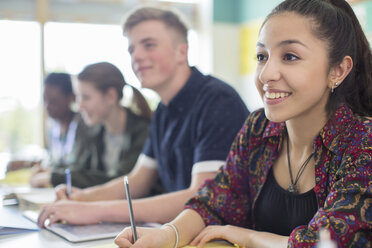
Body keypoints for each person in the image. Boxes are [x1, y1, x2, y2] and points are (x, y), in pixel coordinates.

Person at [114, 0, 372, 247]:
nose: (266, 74)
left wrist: (244, 236)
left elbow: (331, 242)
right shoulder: (259, 128)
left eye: (290, 56)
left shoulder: (362, 140)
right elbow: (213, 202)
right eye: (262, 56)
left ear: (338, 70)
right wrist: (167, 235)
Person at [37, 7, 249, 227]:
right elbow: (137, 181)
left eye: (149, 45)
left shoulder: (217, 100)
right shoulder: (163, 110)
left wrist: (94, 211)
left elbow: (202, 198)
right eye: (131, 49)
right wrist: (83, 197)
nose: (136, 56)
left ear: (181, 52)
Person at [49, 62, 152, 188]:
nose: (79, 106)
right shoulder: (95, 133)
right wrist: (51, 172)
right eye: (78, 98)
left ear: (111, 96)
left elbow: (118, 183)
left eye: (86, 98)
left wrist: (54, 177)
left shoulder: (144, 133)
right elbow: (81, 170)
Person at [6, 72, 92, 188]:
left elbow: (81, 169)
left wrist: (50, 175)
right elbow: (55, 163)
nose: (48, 106)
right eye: (45, 100)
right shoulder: (52, 127)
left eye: (53, 101)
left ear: (71, 97)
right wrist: (29, 164)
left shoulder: (86, 126)